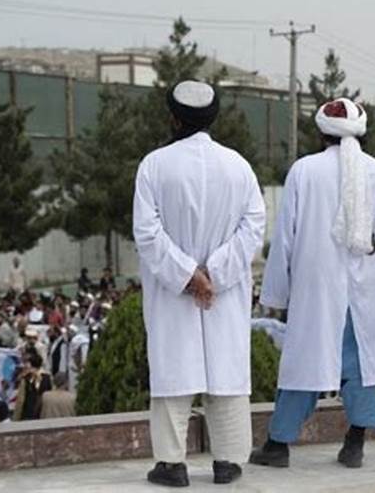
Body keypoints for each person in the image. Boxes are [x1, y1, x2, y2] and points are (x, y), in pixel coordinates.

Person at [250, 98, 375, 469]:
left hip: (316, 286)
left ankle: (278, 444)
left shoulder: (305, 170)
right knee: (360, 364)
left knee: (304, 361)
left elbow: (285, 235)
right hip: (364, 286)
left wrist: (276, 293)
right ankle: (355, 443)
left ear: (322, 133)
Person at [133, 79, 265, 487]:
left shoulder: (154, 165)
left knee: (174, 370)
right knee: (226, 369)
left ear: (174, 119)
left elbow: (147, 232)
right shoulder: (239, 167)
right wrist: (216, 275)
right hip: (222, 294)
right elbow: (254, 228)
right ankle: (228, 461)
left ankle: (172, 464)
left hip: (174, 292)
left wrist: (189, 275)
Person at [14, 352, 53, 421]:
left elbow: (20, 400)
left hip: (29, 414)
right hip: (44, 414)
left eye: (27, 363)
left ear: (30, 364)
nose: (25, 365)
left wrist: (16, 418)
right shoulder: (48, 378)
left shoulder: (26, 379)